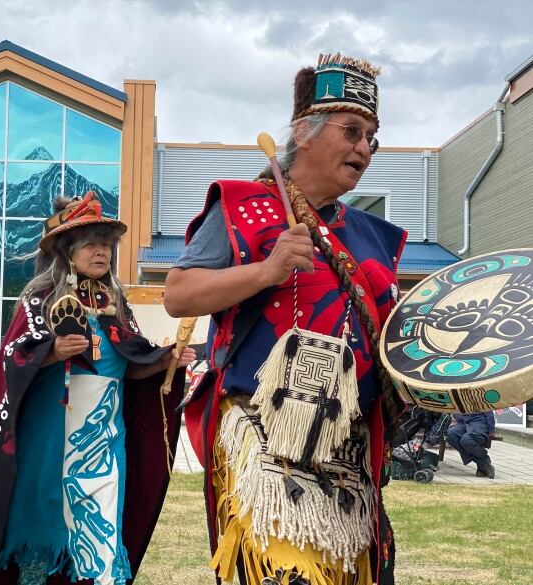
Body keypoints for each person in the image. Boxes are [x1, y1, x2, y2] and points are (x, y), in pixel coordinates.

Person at [164, 53, 405, 585]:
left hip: (351, 446)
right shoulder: (243, 207)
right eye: (352, 131)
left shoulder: (373, 237)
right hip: (264, 438)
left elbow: (395, 339)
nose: (364, 148)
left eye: (372, 137)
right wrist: (267, 270)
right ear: (305, 132)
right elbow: (179, 295)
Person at [0, 191, 195, 585]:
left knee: (102, 517)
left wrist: (166, 360)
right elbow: (14, 358)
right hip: (52, 428)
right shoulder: (39, 300)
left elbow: (130, 368)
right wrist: (53, 351)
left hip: (106, 434)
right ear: (67, 252)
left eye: (107, 245)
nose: (102, 253)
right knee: (47, 517)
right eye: (91, 244)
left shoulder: (116, 305)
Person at [446, 412, 496, 479]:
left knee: (466, 440)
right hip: (463, 423)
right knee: (450, 434)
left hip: (479, 423)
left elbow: (489, 412)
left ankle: (482, 465)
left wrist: (491, 430)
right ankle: (484, 463)